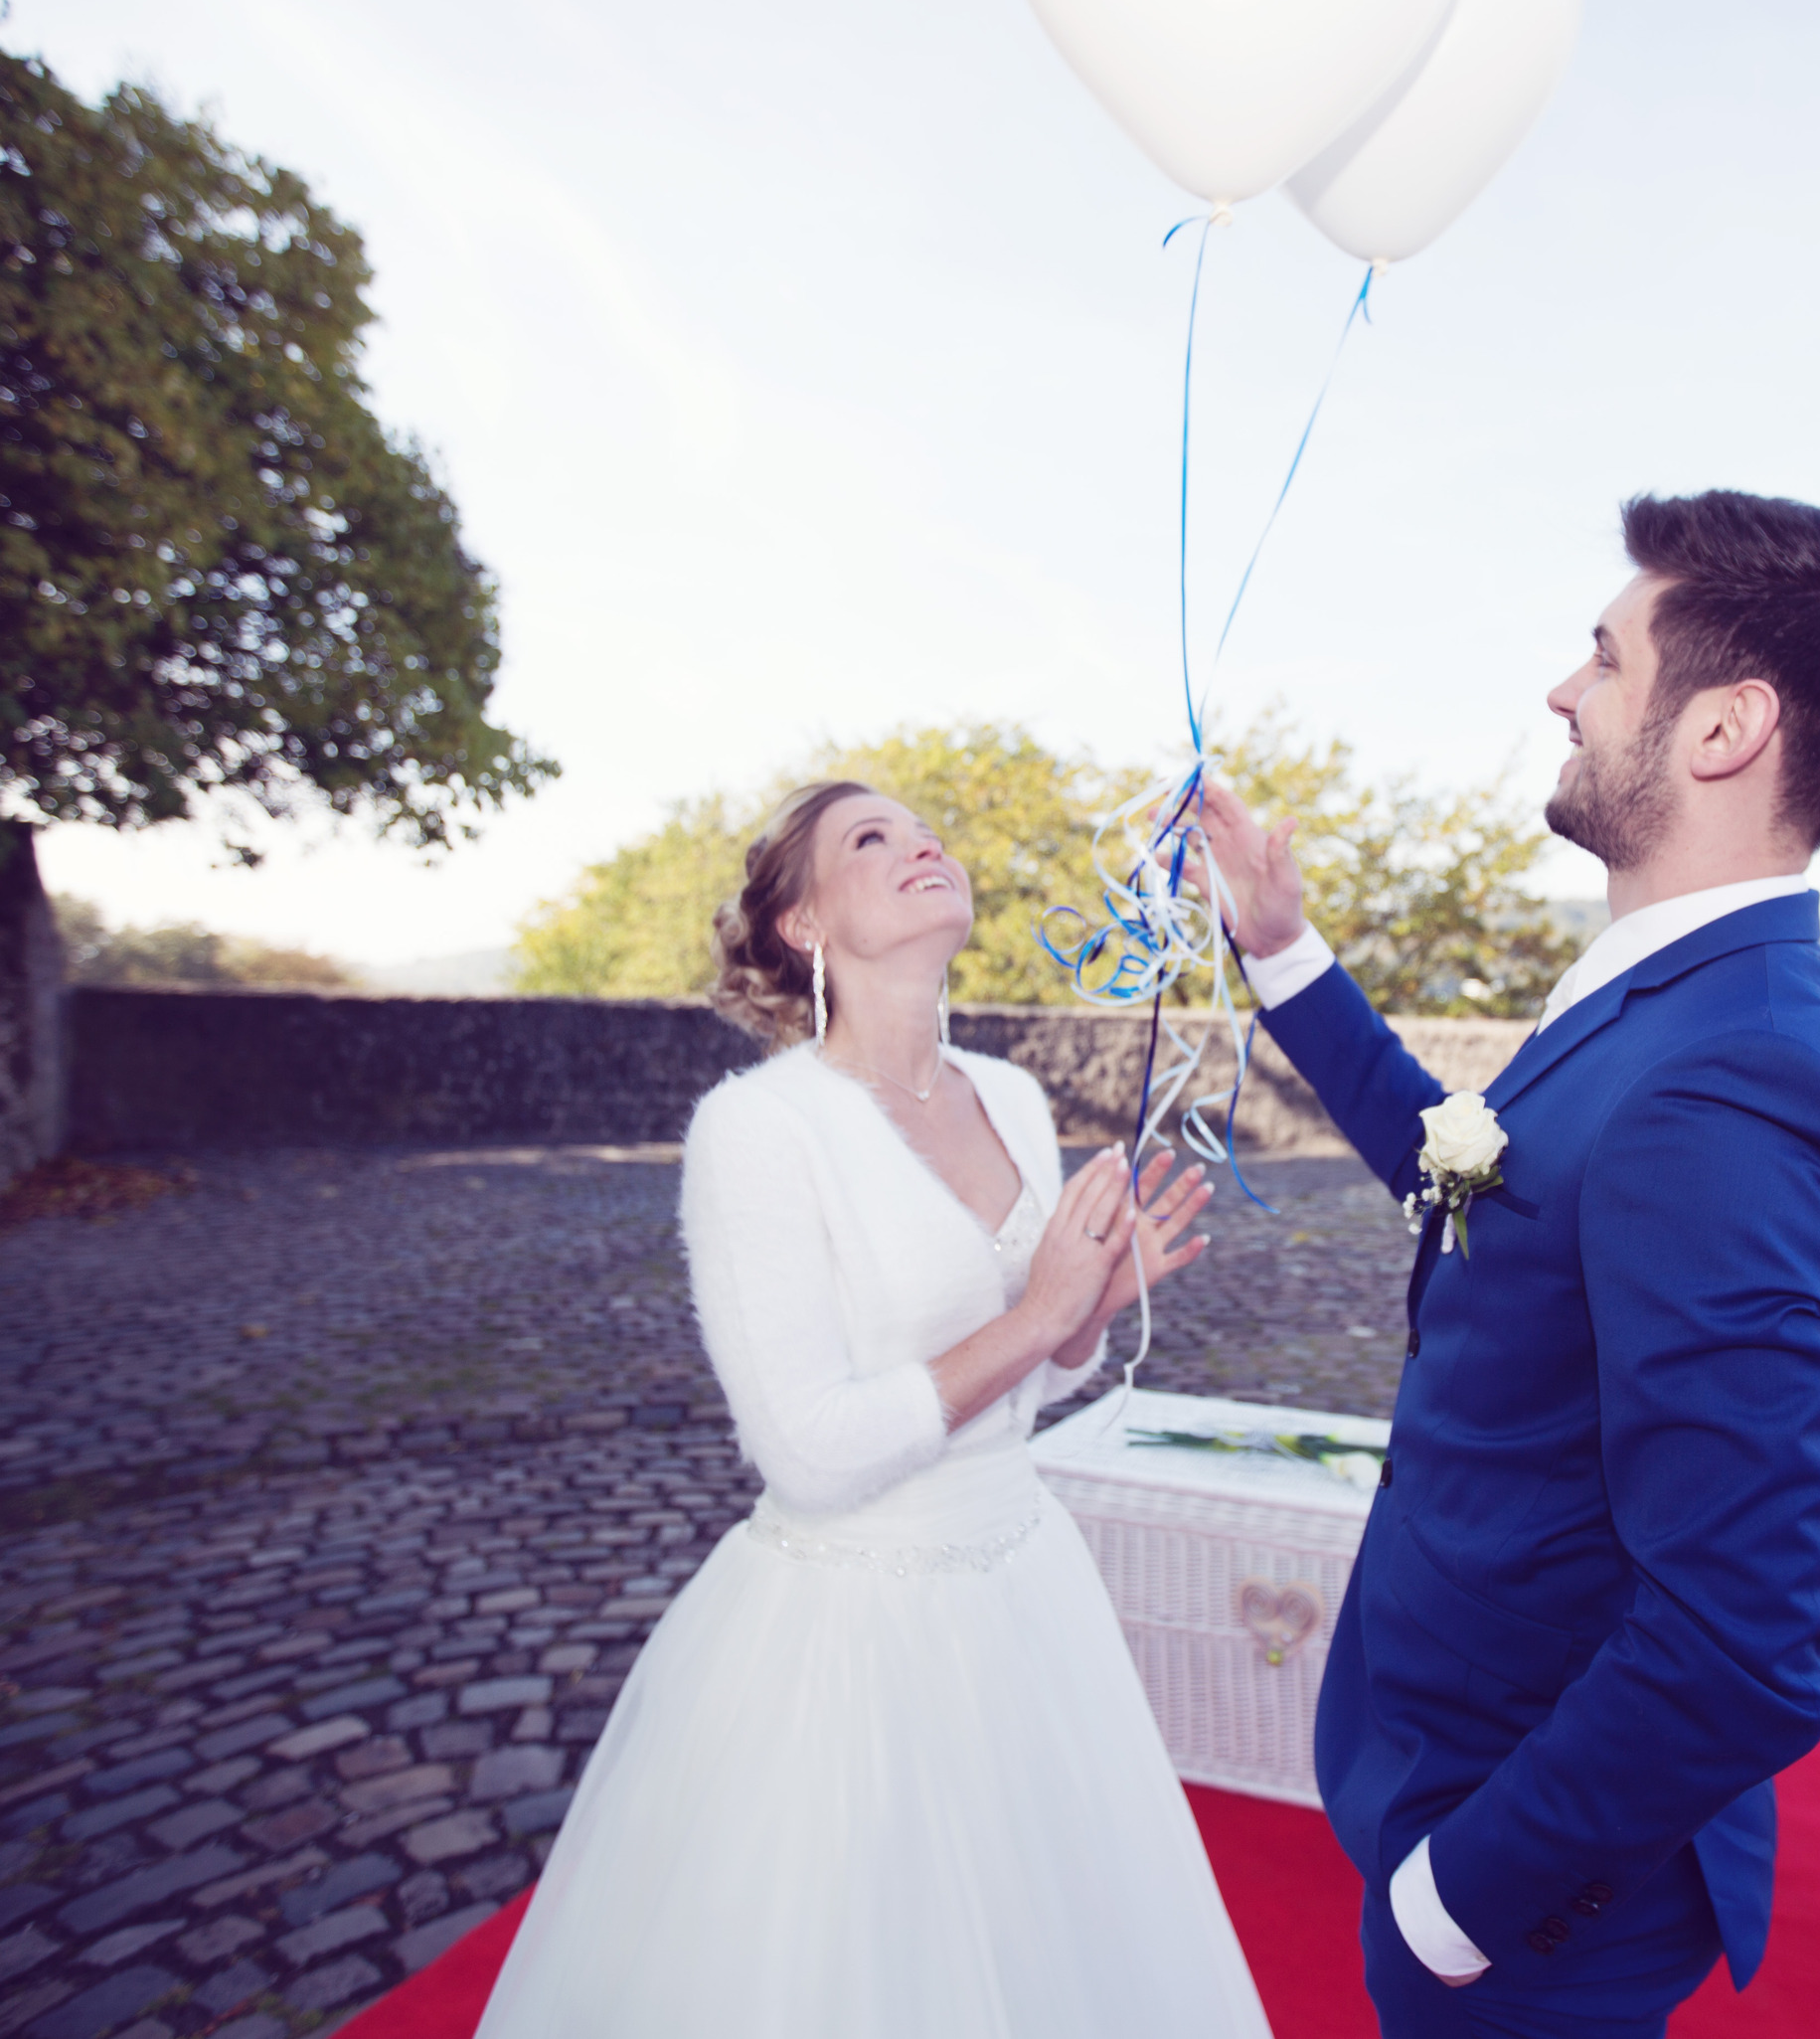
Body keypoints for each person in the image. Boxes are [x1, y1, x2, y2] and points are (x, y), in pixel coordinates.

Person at [1192, 489, 1820, 2038]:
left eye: (1604, 658)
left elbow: (1741, 1645)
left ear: (1724, 729)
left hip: (1531, 1901)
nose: (1561, 687)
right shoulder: (1668, 1001)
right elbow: (1475, 1177)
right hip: (1453, 1774)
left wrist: (1454, 1903)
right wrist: (1281, 949)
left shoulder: (1724, 1079)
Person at [474, 781, 1271, 2039]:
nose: (922, 844)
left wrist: (1090, 1305)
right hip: (849, 1626)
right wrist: (1036, 1310)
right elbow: (806, 1448)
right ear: (802, 926)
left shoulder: (1008, 1097)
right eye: (871, 839)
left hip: (1023, 1589)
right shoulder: (756, 1129)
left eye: (924, 830)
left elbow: (1038, 1383)